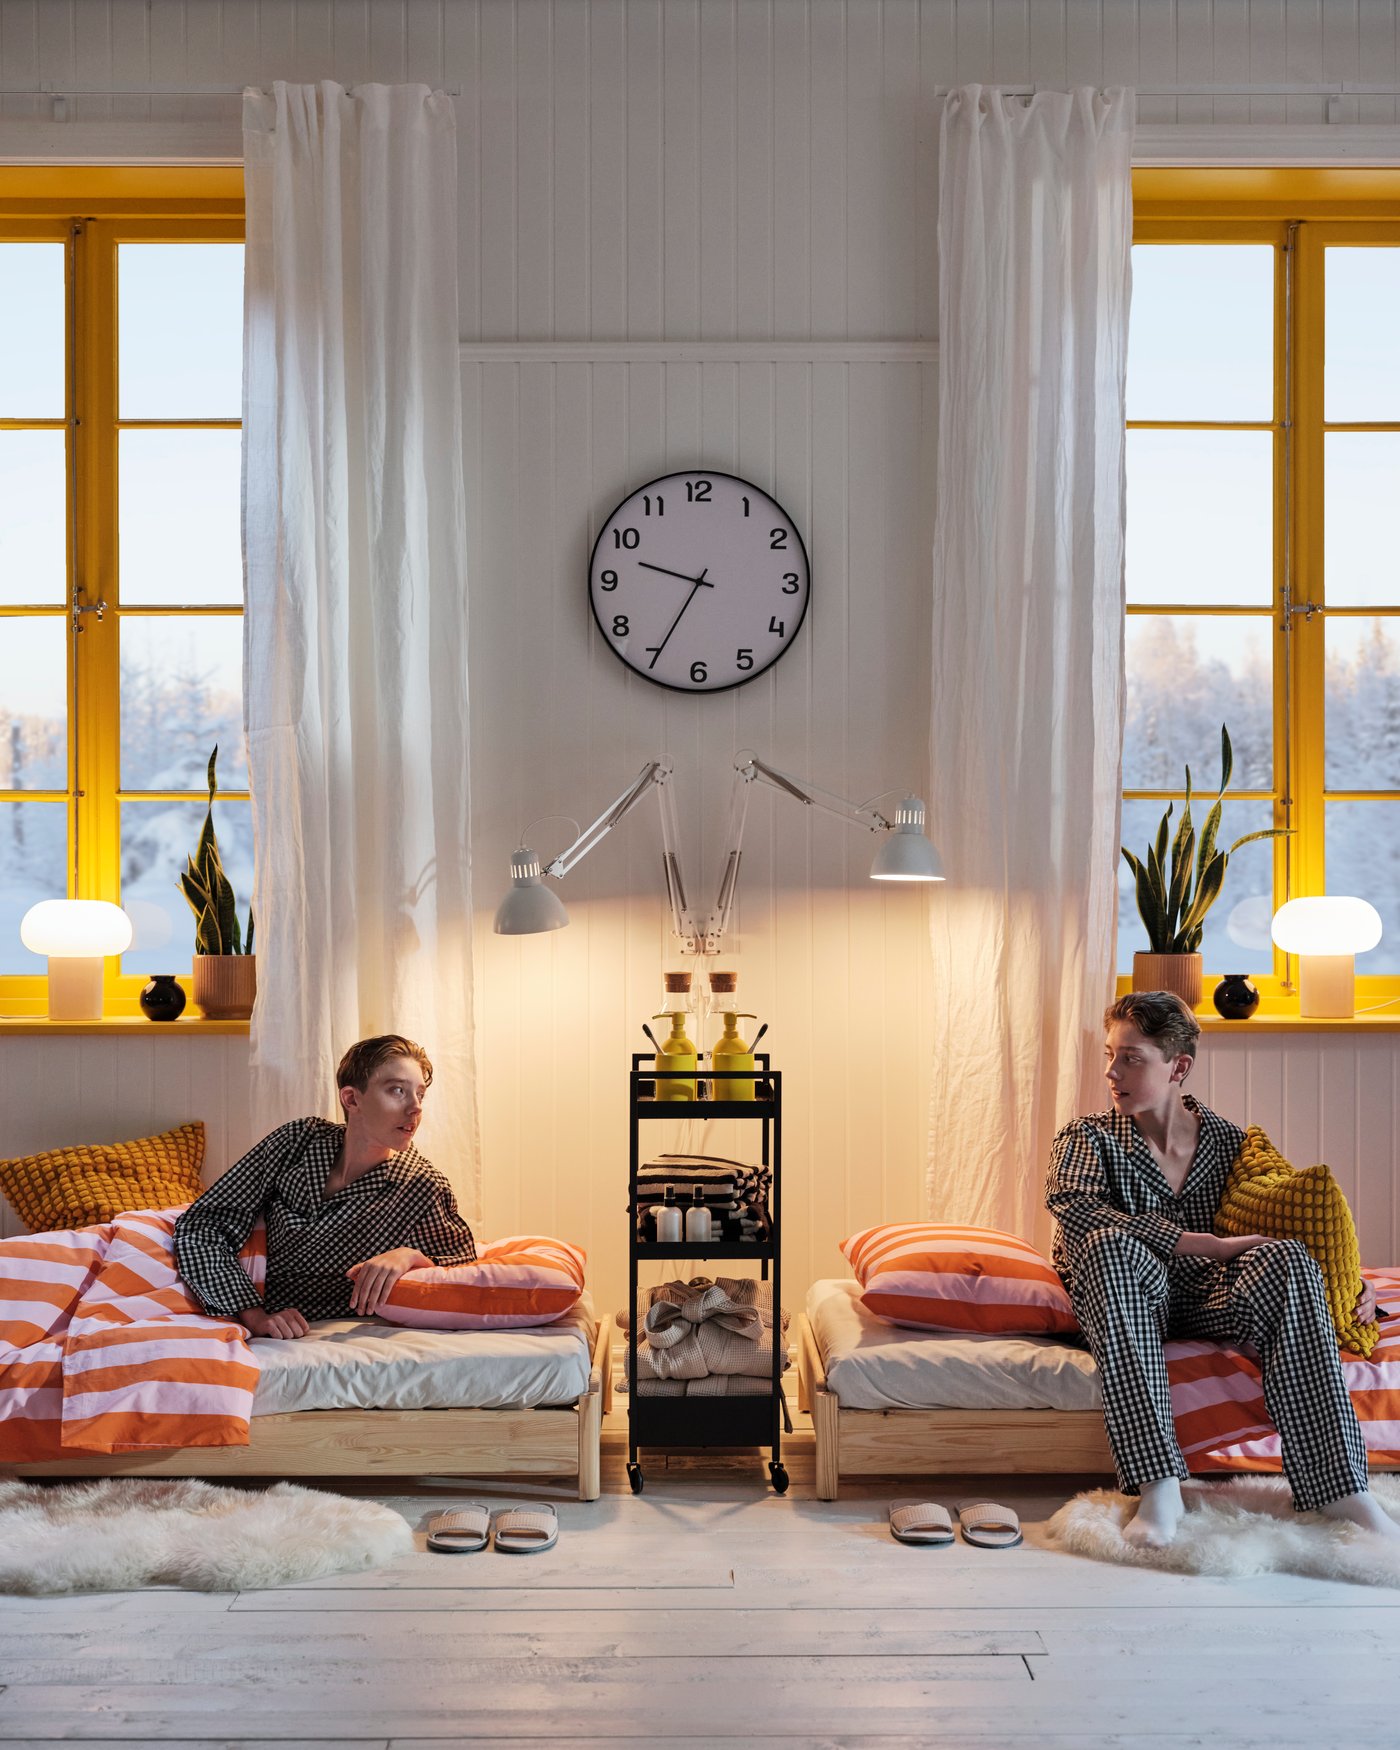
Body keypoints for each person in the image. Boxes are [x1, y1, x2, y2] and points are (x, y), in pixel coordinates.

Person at [1046, 990, 1397, 1549]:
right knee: (1110, 1244)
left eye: (1132, 1057)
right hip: (1127, 1292)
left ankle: (1338, 1485)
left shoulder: (1232, 1143)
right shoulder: (1087, 1137)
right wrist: (1198, 1243)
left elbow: (1290, 1219)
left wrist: (1351, 1288)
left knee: (1287, 1258)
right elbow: (1076, 1207)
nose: (1113, 1072)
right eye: (1110, 1055)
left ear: (1178, 1066)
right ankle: (1159, 1483)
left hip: (1211, 1298)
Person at [174, 1034, 475, 1339]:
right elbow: (203, 1223)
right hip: (243, 1308)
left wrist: (410, 1256)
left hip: (329, 1328)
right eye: (397, 1090)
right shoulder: (296, 1142)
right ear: (351, 1099)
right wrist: (253, 1314)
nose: (415, 1108)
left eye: (420, 1094)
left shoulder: (422, 1186)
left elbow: (463, 1270)